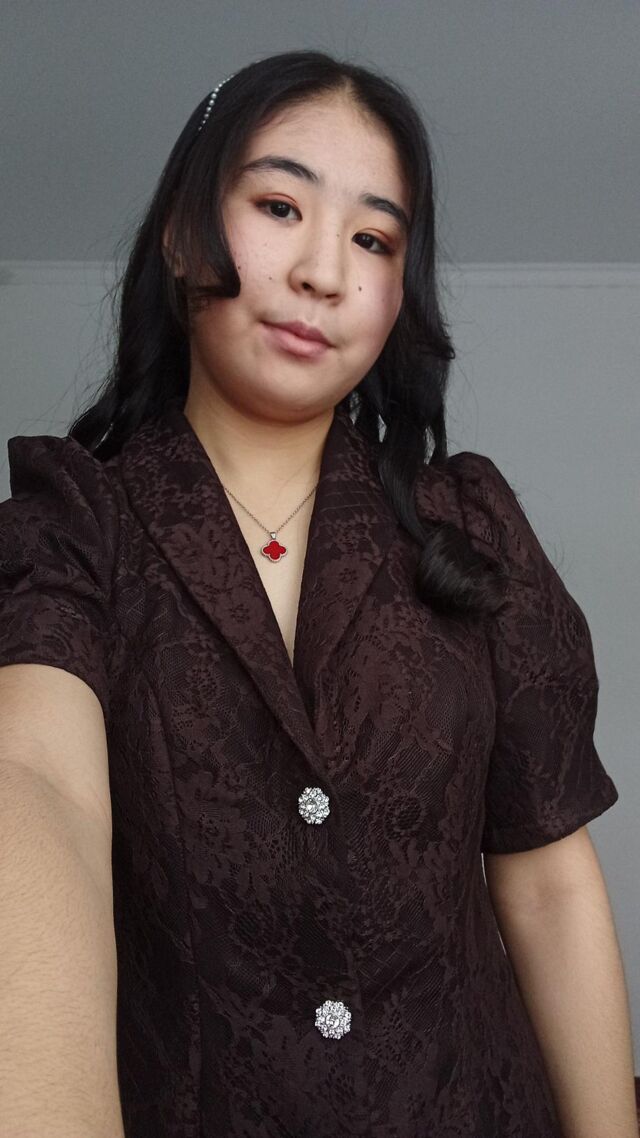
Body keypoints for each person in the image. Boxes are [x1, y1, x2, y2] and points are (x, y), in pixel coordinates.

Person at [0, 49, 636, 1138]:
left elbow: (546, 879)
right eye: (280, 207)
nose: (323, 272)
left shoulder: (469, 525)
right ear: (182, 233)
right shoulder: (73, 522)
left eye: (373, 239)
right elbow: (35, 784)